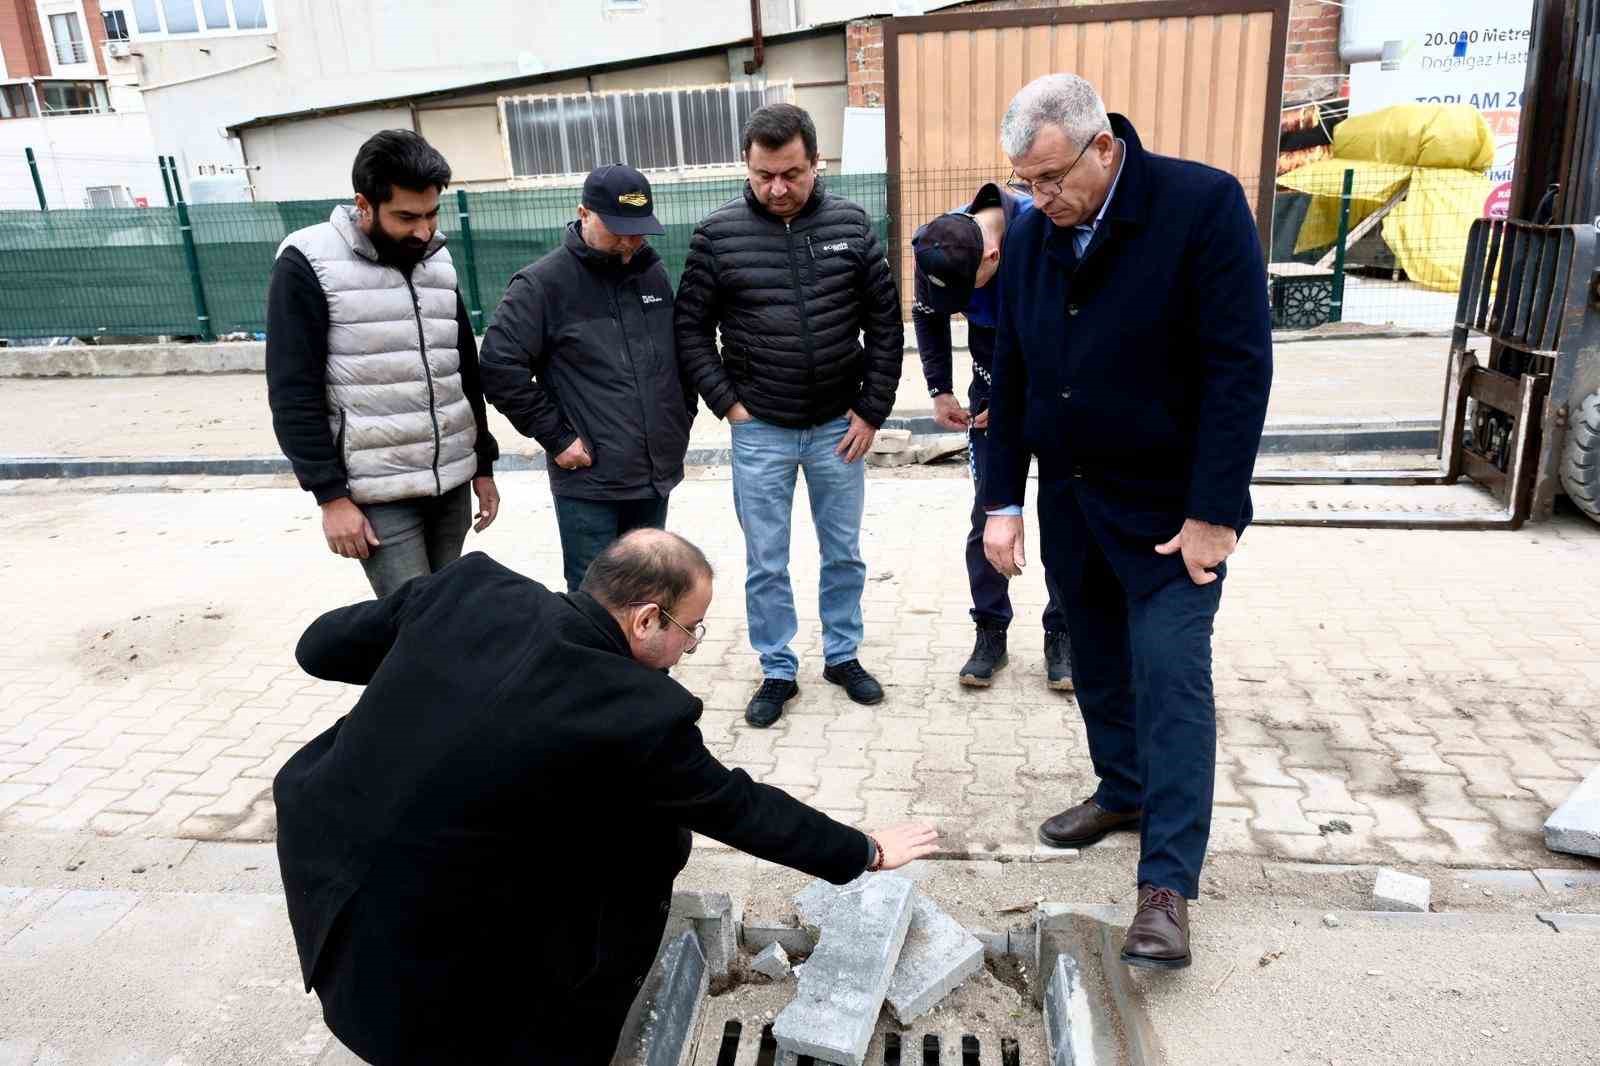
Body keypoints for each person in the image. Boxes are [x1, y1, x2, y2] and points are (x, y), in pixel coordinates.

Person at [274, 530, 940, 1065]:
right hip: (426, 965)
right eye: (693, 628)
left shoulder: (472, 587)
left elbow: (320, 647)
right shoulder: (639, 712)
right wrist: (865, 850)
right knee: (651, 846)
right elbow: (739, 807)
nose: (691, 646)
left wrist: (424, 662)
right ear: (648, 620)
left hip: (326, 865)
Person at [982, 75, 1272, 971]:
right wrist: (1002, 502)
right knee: (1100, 668)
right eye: (1026, 183)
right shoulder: (1035, 236)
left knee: (1172, 682)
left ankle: (1167, 888)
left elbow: (1239, 367)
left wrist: (1214, 515)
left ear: (1103, 146)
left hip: (1173, 517)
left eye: (1051, 177)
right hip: (1075, 503)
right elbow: (1012, 373)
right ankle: (1123, 789)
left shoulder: (1200, 205)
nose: (1039, 197)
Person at [675, 102, 902, 728]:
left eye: (792, 174)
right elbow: (690, 330)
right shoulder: (716, 236)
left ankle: (842, 655)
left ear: (815, 162)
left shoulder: (852, 226)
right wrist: (731, 406)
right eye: (763, 175)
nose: (778, 188)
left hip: (839, 427)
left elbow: (885, 325)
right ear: (747, 167)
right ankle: (777, 667)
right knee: (766, 559)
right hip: (761, 430)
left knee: (844, 552)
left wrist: (872, 408)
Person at [266, 130, 500, 597]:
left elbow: (463, 373)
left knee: (446, 613)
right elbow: (293, 391)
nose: (423, 230)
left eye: (432, 214)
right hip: (377, 494)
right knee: (412, 624)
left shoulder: (438, 260)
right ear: (364, 204)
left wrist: (483, 464)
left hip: (450, 480)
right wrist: (330, 497)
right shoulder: (308, 262)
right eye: (406, 217)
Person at [480, 164, 695, 592]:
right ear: (583, 213)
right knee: (595, 597)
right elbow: (499, 367)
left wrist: (680, 416)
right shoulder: (542, 285)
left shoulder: (652, 274)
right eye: (619, 229)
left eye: (640, 230)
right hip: (590, 479)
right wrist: (557, 438)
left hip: (654, 474)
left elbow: (673, 356)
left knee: (649, 591)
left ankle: (647, 664)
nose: (631, 241)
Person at [911, 189, 1073, 690]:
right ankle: (990, 631)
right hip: (988, 395)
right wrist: (940, 390)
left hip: (1055, 394)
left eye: (967, 295)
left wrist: (1015, 402)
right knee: (989, 515)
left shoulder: (1046, 236)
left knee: (1067, 514)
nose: (959, 308)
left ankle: (1064, 634)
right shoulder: (937, 245)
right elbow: (927, 314)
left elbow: (1071, 333)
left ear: (993, 256)